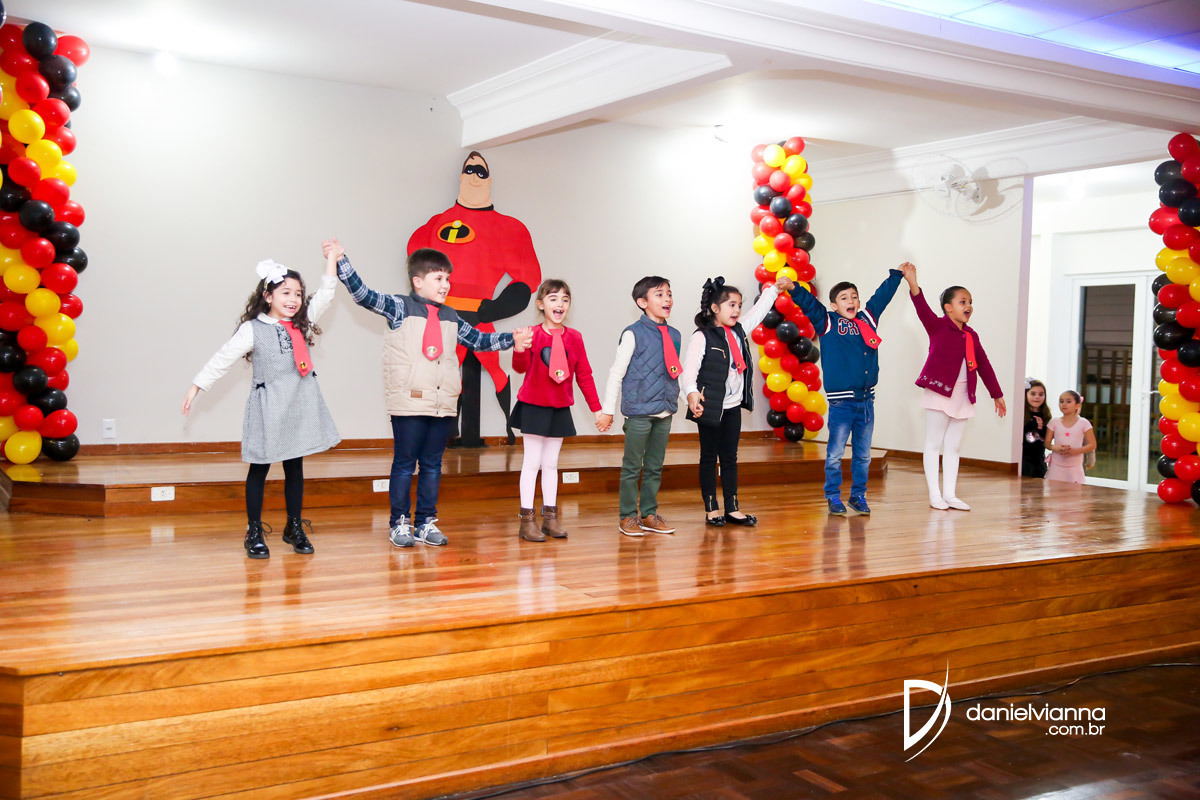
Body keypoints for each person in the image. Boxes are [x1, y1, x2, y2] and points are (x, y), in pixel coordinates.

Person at [325, 237, 532, 548]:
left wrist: (511, 339)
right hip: (408, 402)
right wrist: (342, 261)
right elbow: (363, 295)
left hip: (442, 403)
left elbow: (478, 340)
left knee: (433, 465)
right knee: (405, 463)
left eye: (448, 278)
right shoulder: (400, 307)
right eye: (438, 278)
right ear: (418, 281)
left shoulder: (451, 316)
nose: (445, 284)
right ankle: (399, 522)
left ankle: (425, 522)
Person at [183, 252, 341, 559]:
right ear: (268, 296)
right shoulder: (253, 329)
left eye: (298, 294)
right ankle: (253, 530)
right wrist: (196, 386)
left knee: (295, 466)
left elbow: (326, 293)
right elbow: (223, 358)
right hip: (269, 405)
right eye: (286, 293)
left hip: (299, 402)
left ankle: (293, 526)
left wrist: (332, 259)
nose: (293, 299)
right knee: (260, 467)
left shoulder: (302, 322)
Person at [407, 151, 542, 447]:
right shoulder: (436, 224)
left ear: (489, 180)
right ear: (461, 177)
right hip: (447, 317)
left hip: (481, 315)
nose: (474, 177)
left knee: (494, 370)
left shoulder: (510, 228)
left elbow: (527, 279)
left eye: (481, 172)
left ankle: (508, 428)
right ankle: (446, 431)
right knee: (446, 375)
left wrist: (493, 310)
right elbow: (417, 263)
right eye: (469, 171)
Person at [789, 264, 908, 515]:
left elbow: (881, 297)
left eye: (854, 296)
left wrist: (896, 276)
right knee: (835, 453)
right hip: (841, 403)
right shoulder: (827, 322)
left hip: (866, 402)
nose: (850, 301)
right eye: (844, 298)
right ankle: (833, 496)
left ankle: (858, 496)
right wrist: (794, 288)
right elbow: (810, 305)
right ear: (834, 305)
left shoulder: (868, 319)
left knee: (863, 455)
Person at [683, 273, 794, 526]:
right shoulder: (701, 336)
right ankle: (711, 509)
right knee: (709, 457)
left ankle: (732, 508)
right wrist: (691, 393)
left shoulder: (739, 330)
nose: (737, 310)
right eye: (731, 305)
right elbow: (689, 370)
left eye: (739, 305)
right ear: (715, 308)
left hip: (732, 406)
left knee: (730, 457)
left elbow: (758, 312)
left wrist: (774, 290)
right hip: (710, 407)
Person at [903, 266, 1006, 510]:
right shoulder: (937, 326)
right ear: (948, 307)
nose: (968, 306)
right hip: (939, 393)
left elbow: (983, 364)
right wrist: (913, 283)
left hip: (962, 396)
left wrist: (997, 394)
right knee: (933, 444)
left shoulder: (971, 335)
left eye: (970, 302)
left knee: (953, 446)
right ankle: (935, 495)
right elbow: (921, 307)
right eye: (962, 301)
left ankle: (950, 494)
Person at [510, 279, 605, 541]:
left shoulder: (575, 338)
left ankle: (550, 518)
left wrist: (597, 410)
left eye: (565, 299)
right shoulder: (532, 333)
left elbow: (584, 375)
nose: (559, 303)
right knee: (532, 462)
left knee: (551, 464)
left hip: (559, 406)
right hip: (533, 406)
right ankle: (526, 520)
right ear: (541, 304)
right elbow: (519, 367)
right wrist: (519, 346)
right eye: (553, 298)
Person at [598, 276, 681, 537]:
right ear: (642, 302)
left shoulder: (675, 335)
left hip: (665, 410)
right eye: (659, 294)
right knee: (632, 466)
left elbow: (675, 372)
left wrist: (686, 397)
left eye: (669, 294)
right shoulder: (633, 333)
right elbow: (616, 373)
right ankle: (627, 516)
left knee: (655, 466)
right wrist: (608, 410)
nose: (667, 299)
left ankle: (648, 514)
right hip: (639, 412)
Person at [1045, 390, 1095, 484]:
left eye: (1068, 401)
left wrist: (1075, 451)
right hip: (1056, 466)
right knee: (1053, 490)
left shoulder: (1084, 423)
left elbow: (1092, 445)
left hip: (1074, 467)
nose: (1064, 404)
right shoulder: (1054, 422)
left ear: (1077, 405)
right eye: (1061, 401)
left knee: (1074, 491)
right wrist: (1055, 447)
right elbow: (1047, 443)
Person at [1022, 378, 1051, 478]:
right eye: (1033, 394)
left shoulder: (1046, 415)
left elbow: (1046, 439)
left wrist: (1041, 428)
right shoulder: (1021, 414)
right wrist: (1032, 425)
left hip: (1039, 462)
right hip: (1024, 462)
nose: (1037, 397)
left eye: (1041, 394)